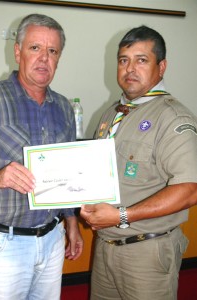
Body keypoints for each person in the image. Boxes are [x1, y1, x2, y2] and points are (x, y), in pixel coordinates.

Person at [80, 25, 197, 300]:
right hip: (105, 245)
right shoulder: (112, 113)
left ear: (162, 66)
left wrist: (122, 215)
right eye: (124, 60)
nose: (130, 68)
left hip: (146, 252)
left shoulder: (173, 118)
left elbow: (190, 189)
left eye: (141, 60)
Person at [0, 14, 83, 300]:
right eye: (35, 48)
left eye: (52, 51)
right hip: (3, 244)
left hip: (52, 238)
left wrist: (71, 223)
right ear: (18, 52)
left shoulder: (63, 107)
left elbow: (68, 173)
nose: (44, 58)